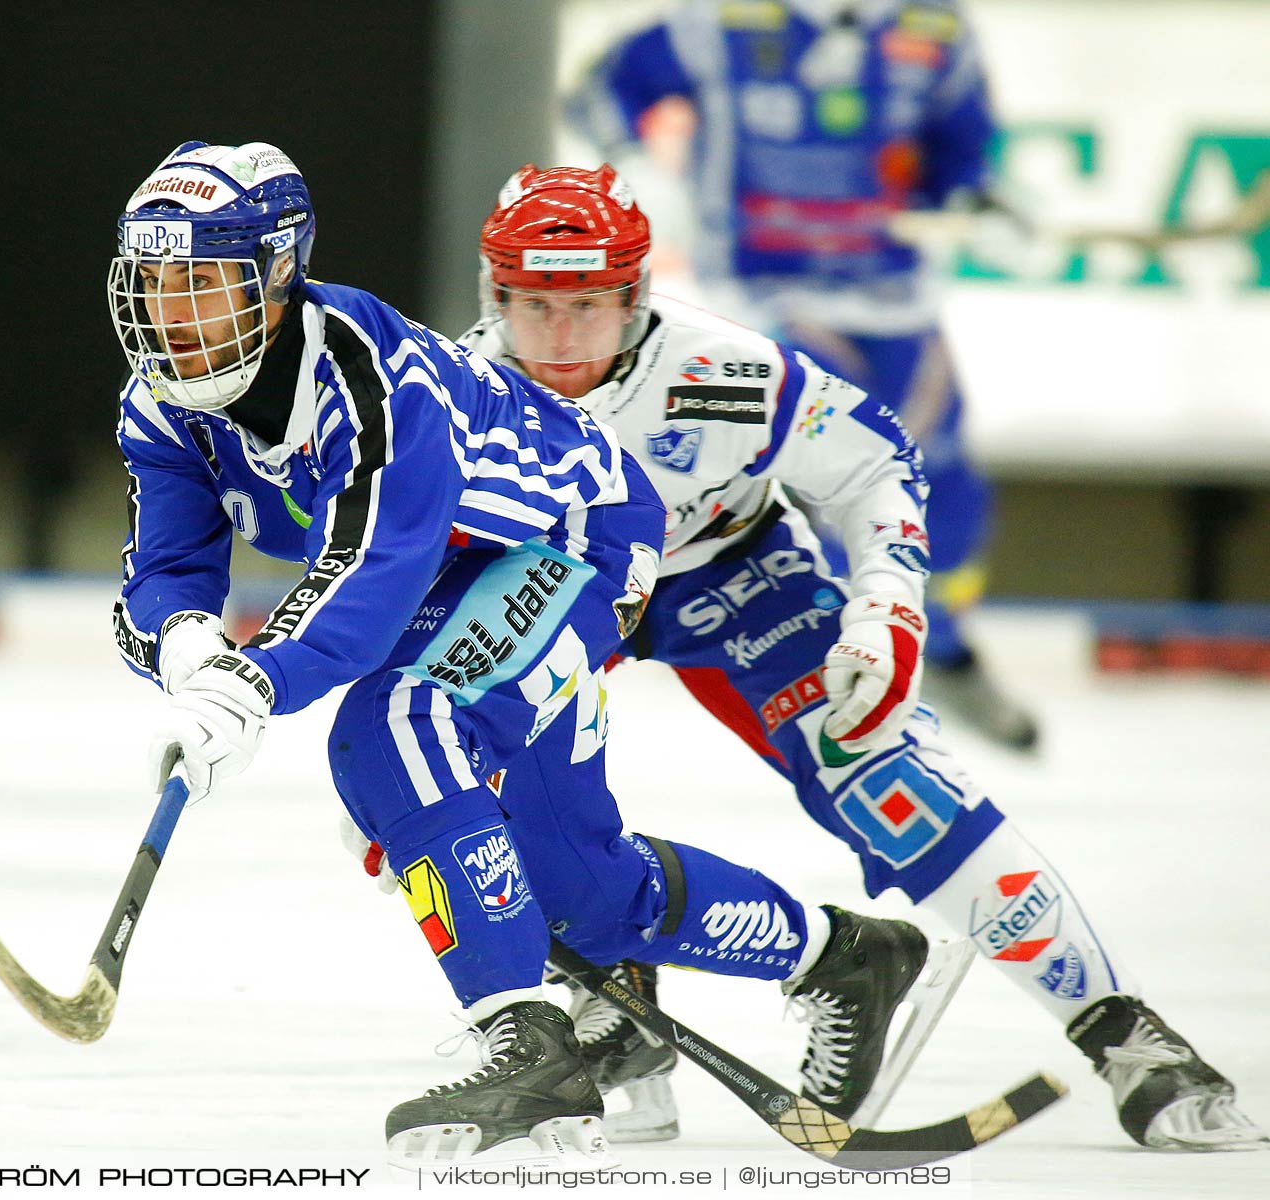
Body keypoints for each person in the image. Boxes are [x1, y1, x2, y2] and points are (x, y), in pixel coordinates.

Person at [108, 139, 962, 1164]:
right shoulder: (158, 403)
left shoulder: (373, 375)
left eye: (203, 281)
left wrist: (262, 681)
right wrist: (191, 652)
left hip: (581, 543)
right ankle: (842, 958)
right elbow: (164, 573)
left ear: (280, 274)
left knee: (397, 726)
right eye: (153, 283)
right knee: (574, 885)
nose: (171, 312)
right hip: (458, 570)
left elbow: (374, 571)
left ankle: (525, 1039)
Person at [452, 160, 1267, 1151]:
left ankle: (1127, 1035)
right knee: (469, 797)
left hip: (727, 577)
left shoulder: (726, 371)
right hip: (556, 589)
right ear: (495, 295)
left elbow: (877, 460)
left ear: (637, 293)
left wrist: (884, 606)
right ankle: (618, 1003)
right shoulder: (448, 390)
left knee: (886, 781)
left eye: (591, 304)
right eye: (537, 305)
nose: (565, 338)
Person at [568, 0, 1038, 749]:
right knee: (837, 470)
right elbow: (601, 88)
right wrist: (631, 169)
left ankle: (939, 647)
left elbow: (964, 141)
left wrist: (970, 186)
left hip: (893, 299)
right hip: (764, 296)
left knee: (940, 484)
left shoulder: (933, 29)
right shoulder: (719, 22)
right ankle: (848, 682)